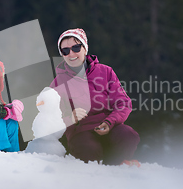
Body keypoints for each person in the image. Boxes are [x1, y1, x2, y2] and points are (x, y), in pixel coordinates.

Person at [50, 28, 140, 166]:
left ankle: (117, 166)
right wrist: (70, 118)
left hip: (110, 125)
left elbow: (123, 103)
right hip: (80, 131)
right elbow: (50, 117)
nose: (71, 54)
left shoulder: (105, 72)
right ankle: (96, 175)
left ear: (85, 49)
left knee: (129, 136)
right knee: (89, 150)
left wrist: (109, 122)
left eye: (76, 47)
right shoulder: (58, 83)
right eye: (65, 50)